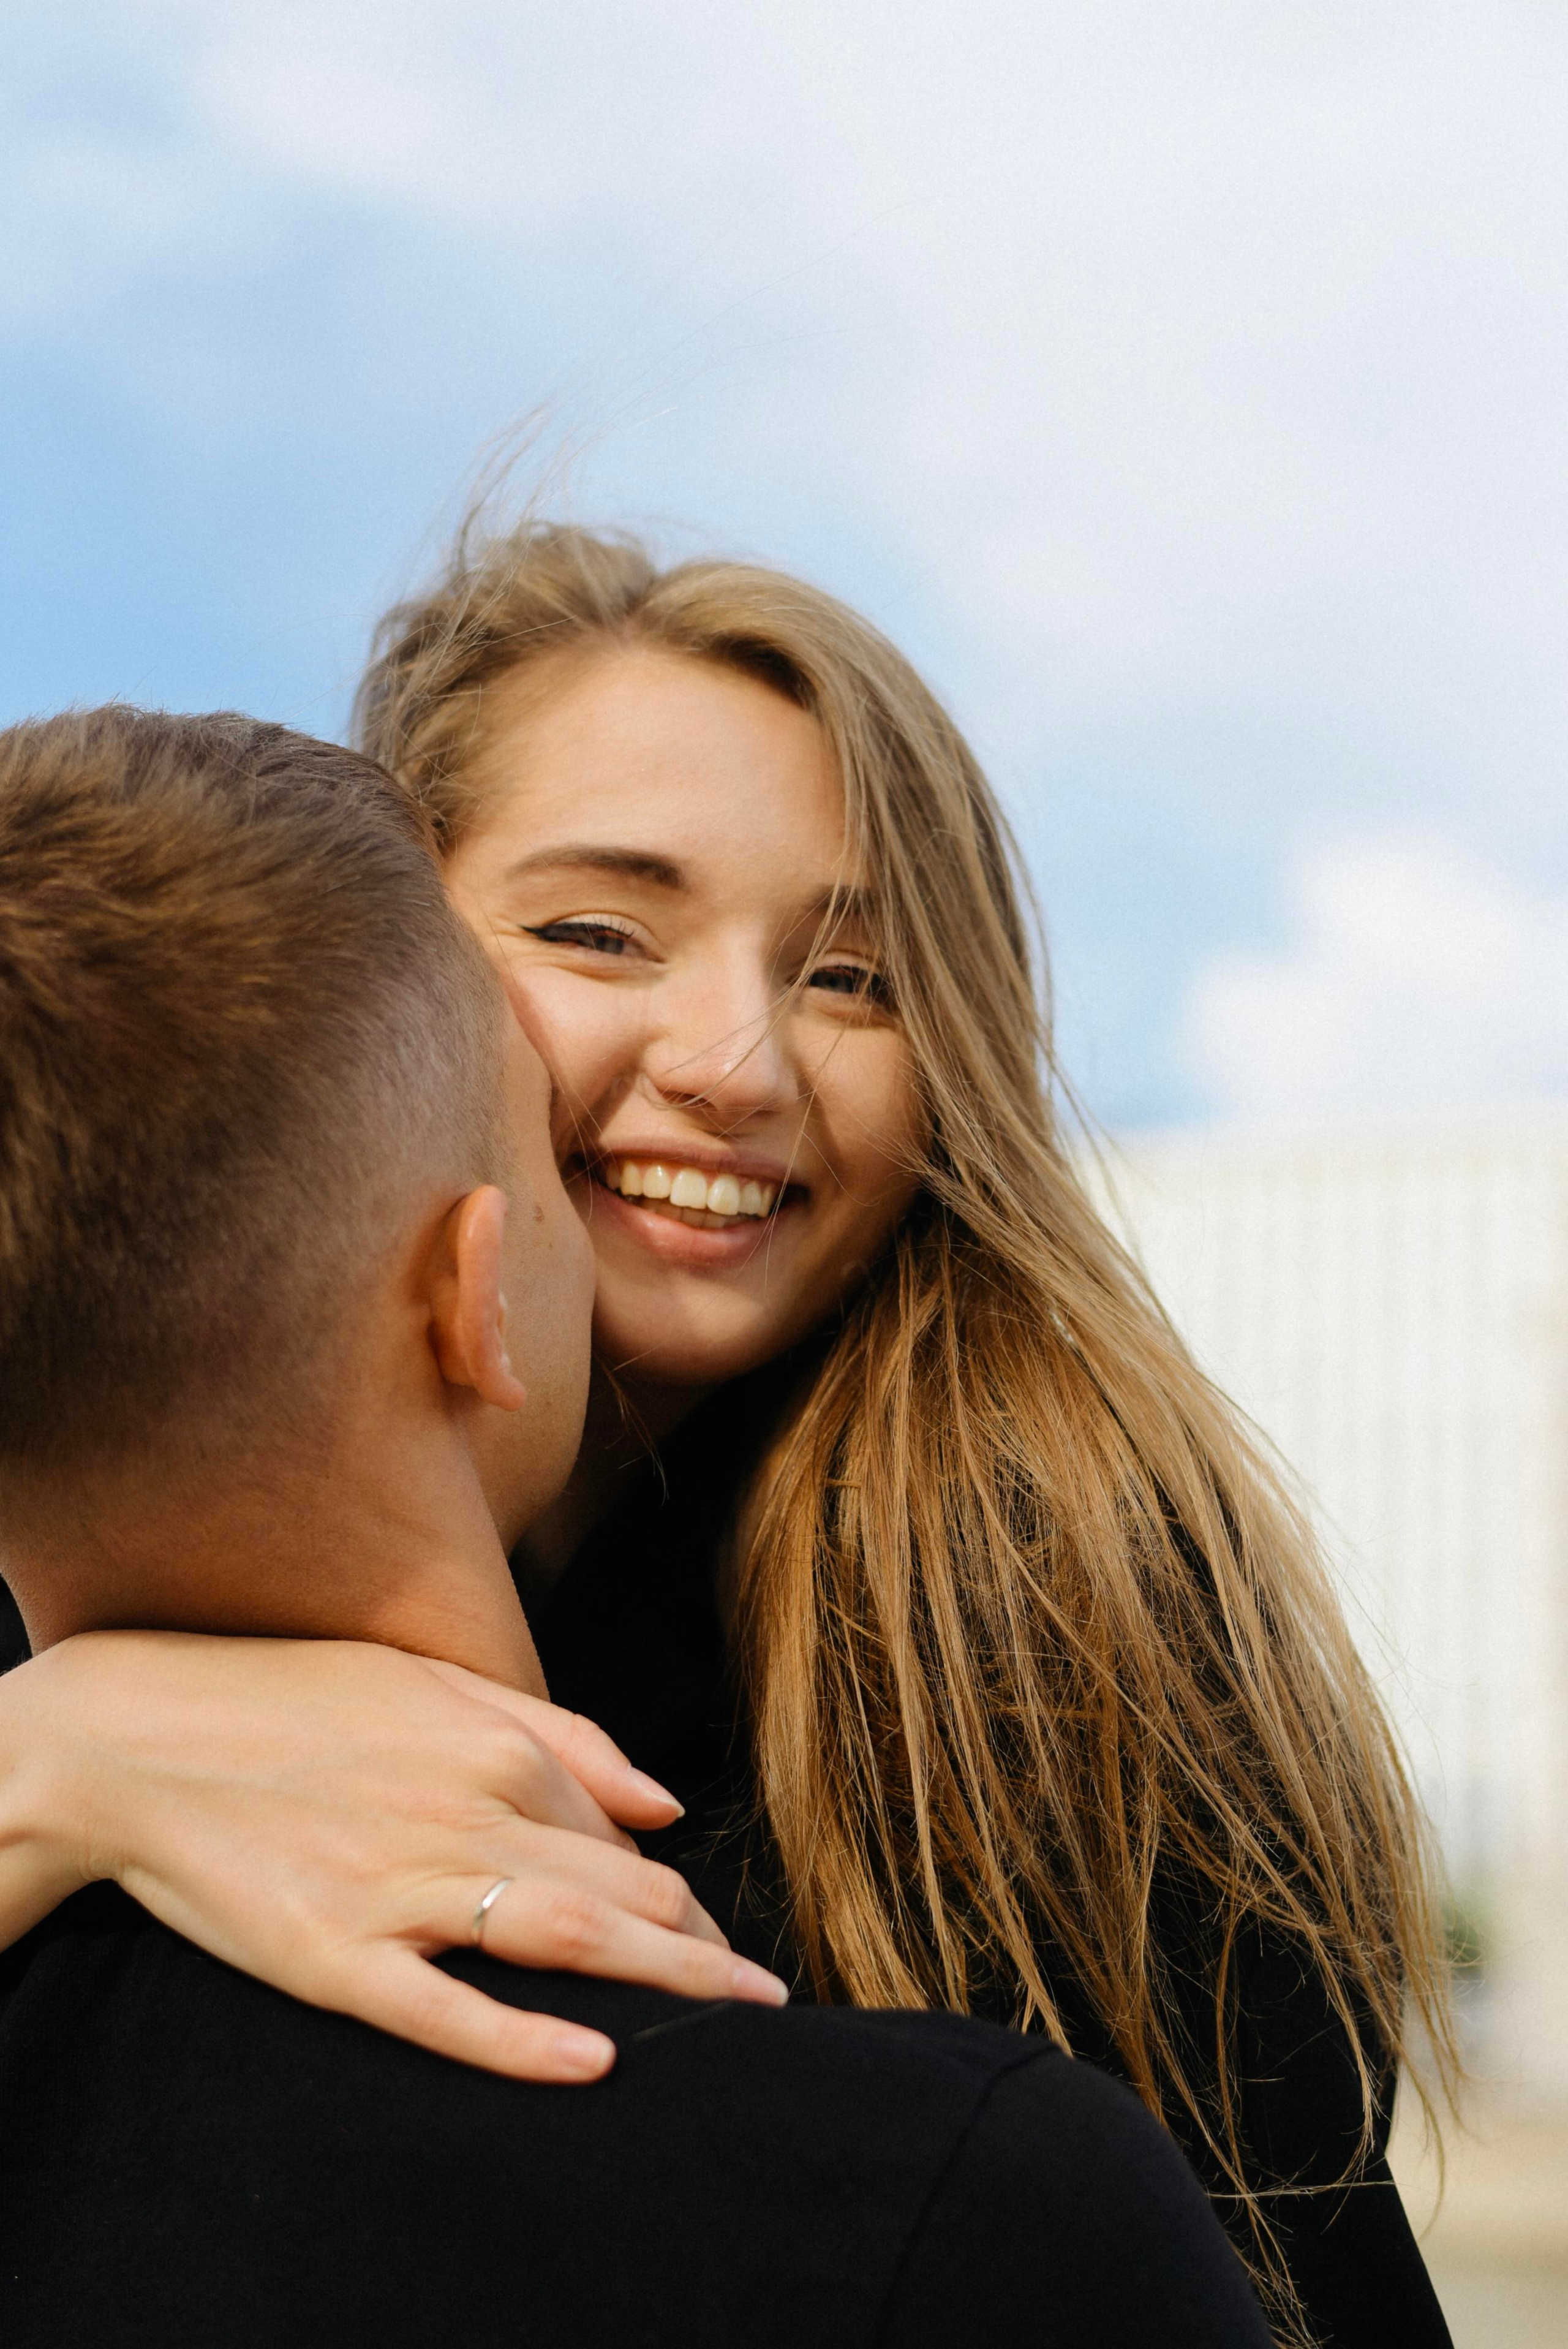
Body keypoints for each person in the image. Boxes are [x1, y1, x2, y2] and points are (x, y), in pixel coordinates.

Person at [0, 531, 1455, 2344]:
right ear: (382, 948)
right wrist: (52, 1757)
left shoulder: (1076, 1661)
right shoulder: (57, 1528)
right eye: (601, 931)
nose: (741, 1061)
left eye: (853, 976)